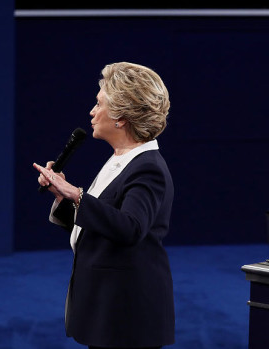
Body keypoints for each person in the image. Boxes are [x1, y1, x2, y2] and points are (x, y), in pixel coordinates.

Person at [33, 62, 175, 349]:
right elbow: (103, 223)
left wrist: (75, 194)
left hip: (127, 316)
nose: (92, 112)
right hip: (108, 309)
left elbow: (130, 228)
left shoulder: (148, 168)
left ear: (121, 116)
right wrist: (63, 196)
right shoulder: (121, 159)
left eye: (99, 104)